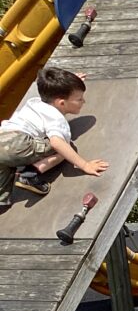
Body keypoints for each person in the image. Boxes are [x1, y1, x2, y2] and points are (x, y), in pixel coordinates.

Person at [0, 67, 108, 210]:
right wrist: (85, 165)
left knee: (3, 189)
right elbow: (57, 143)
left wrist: (71, 82)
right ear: (61, 103)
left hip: (2, 138)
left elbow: (50, 90)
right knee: (65, 147)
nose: (84, 101)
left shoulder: (35, 102)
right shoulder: (56, 118)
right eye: (79, 99)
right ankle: (30, 174)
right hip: (18, 144)